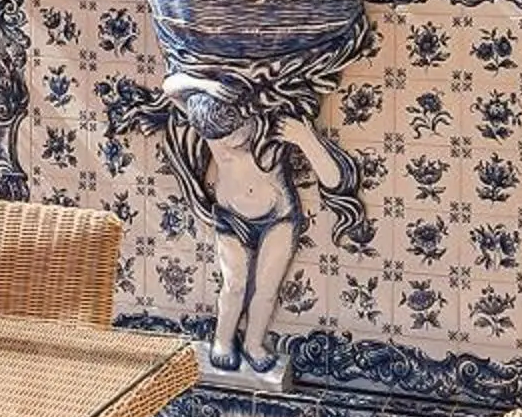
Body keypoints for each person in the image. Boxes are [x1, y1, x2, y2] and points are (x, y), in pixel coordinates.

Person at [123, 58, 374, 377]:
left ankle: (255, 344)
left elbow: (334, 178)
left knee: (266, 289)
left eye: (235, 136)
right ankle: (222, 341)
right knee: (234, 285)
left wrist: (305, 138)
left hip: (278, 219)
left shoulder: (275, 126)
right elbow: (171, 87)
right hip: (231, 218)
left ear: (247, 115)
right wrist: (207, 86)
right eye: (221, 139)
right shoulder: (212, 122)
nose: (227, 144)